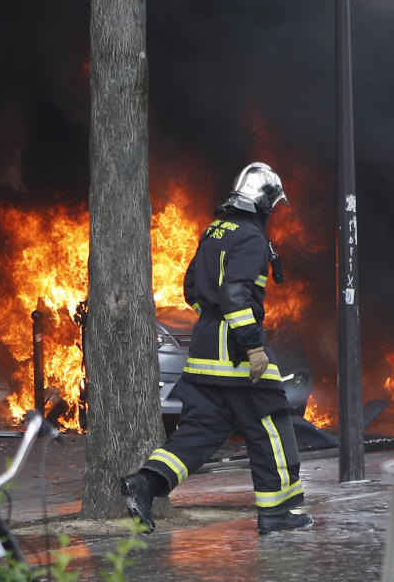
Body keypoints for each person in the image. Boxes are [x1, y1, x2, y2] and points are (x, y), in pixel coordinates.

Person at [121, 162, 312, 535]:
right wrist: (253, 347)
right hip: (237, 355)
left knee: (200, 429)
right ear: (263, 203)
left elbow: (192, 289)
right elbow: (236, 295)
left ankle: (146, 482)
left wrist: (212, 322)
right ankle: (277, 512)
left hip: (206, 349)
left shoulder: (214, 230)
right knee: (270, 422)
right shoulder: (252, 238)